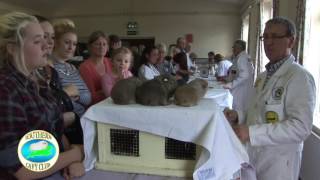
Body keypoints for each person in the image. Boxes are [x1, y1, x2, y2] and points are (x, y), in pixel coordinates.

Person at [224, 17, 316, 180]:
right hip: (255, 154)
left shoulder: (299, 77)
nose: (268, 42)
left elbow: (301, 127)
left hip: (279, 162)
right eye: (265, 37)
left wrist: (251, 133)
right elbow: (258, 110)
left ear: (291, 41)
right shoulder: (263, 76)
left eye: (275, 36)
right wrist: (239, 115)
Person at [0, 12, 84, 179]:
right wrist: (74, 155)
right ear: (12, 48)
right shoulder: (5, 88)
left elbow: (55, 130)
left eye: (46, 39)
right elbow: (21, 169)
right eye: (38, 41)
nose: (47, 45)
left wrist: (71, 157)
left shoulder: (36, 80)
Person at [52, 19, 91, 118]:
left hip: (82, 118)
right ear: (56, 42)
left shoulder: (72, 68)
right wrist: (67, 94)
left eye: (74, 44)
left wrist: (77, 96)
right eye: (67, 42)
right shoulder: (48, 68)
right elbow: (52, 103)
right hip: (65, 123)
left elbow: (88, 97)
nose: (71, 47)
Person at [79, 31, 112, 105]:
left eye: (104, 44)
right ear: (90, 47)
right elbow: (90, 97)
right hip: (95, 107)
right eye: (97, 44)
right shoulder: (84, 67)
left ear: (108, 47)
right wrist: (109, 89)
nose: (101, 47)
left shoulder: (111, 62)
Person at [223, 40, 254, 111]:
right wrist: (227, 79)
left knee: (238, 109)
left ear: (239, 48)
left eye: (234, 47)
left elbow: (245, 75)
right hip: (243, 88)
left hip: (240, 90)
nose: (233, 49)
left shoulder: (242, 58)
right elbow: (234, 72)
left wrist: (231, 84)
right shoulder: (243, 57)